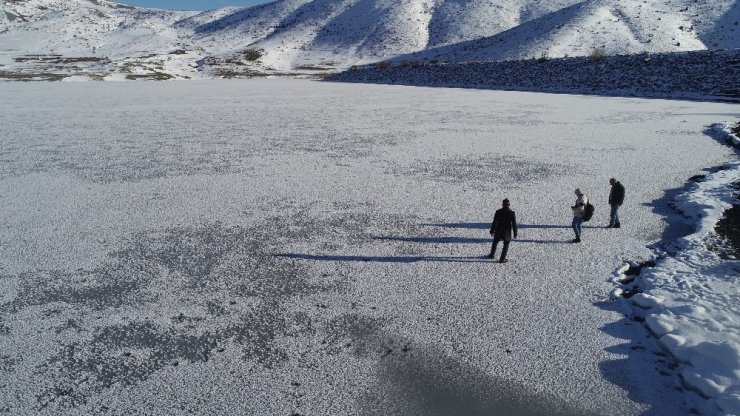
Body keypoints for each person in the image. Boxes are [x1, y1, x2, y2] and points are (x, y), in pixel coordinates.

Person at [488, 199, 518, 263]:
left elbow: (494, 222)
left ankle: (491, 255)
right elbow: (514, 224)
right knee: (506, 245)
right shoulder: (512, 213)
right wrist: (515, 233)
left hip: (498, 230)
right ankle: (502, 259)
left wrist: (492, 230)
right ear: (509, 205)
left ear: (502, 204)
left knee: (495, 243)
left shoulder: (498, 212)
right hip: (507, 232)